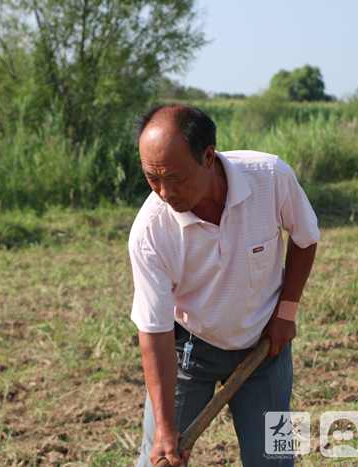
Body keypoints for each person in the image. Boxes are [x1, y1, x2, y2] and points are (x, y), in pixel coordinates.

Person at [128, 103, 319, 466]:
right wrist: (167, 427)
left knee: (273, 460)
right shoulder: (151, 231)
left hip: (265, 348)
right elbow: (154, 330)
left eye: (175, 178)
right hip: (189, 353)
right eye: (153, 178)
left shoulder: (269, 177)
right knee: (159, 458)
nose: (165, 192)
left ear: (208, 157)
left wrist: (286, 314)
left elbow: (306, 237)